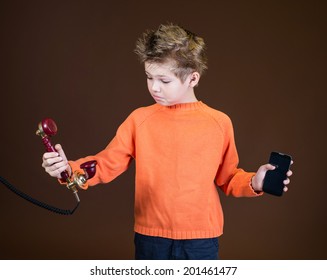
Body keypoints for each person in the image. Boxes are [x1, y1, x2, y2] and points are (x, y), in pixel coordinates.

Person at [42, 23, 293, 260]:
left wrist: (254, 182)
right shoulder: (139, 119)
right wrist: (69, 169)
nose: (154, 88)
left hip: (201, 239)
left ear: (193, 78)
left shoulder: (219, 122)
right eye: (149, 77)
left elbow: (227, 178)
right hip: (150, 237)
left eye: (164, 80)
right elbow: (107, 163)